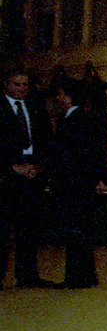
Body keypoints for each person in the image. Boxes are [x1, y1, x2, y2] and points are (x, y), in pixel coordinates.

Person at [47, 78, 107, 288]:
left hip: (74, 184)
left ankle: (75, 277)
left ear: (69, 97)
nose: (58, 98)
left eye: (61, 94)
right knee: (82, 231)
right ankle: (86, 275)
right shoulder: (84, 118)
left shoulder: (73, 120)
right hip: (82, 183)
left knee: (75, 231)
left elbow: (74, 154)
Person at [1, 69, 53, 288]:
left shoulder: (35, 106)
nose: (21, 88)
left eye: (25, 85)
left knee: (29, 227)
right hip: (7, 176)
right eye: (17, 84)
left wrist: (39, 166)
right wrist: (13, 167)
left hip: (33, 174)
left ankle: (28, 275)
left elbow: (45, 138)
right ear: (6, 84)